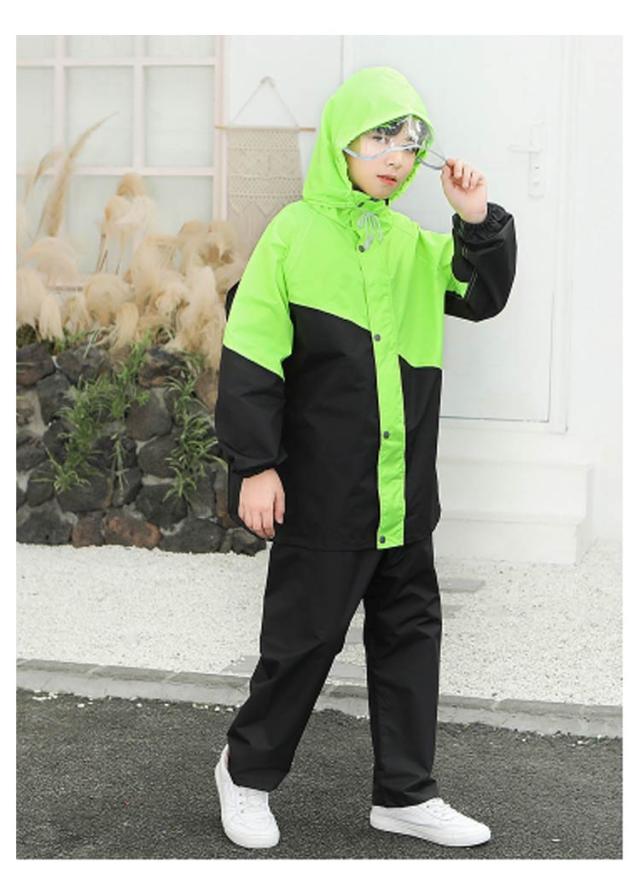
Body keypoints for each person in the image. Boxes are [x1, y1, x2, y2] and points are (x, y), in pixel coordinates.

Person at [213, 65, 517, 850]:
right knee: (304, 641)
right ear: (341, 141)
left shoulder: (412, 244)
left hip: (403, 495)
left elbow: (481, 293)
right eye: (381, 136)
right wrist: (254, 465)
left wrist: (476, 218)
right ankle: (245, 774)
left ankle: (406, 795)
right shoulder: (292, 234)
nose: (397, 156)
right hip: (322, 493)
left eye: (411, 142)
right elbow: (251, 356)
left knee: (410, 635)